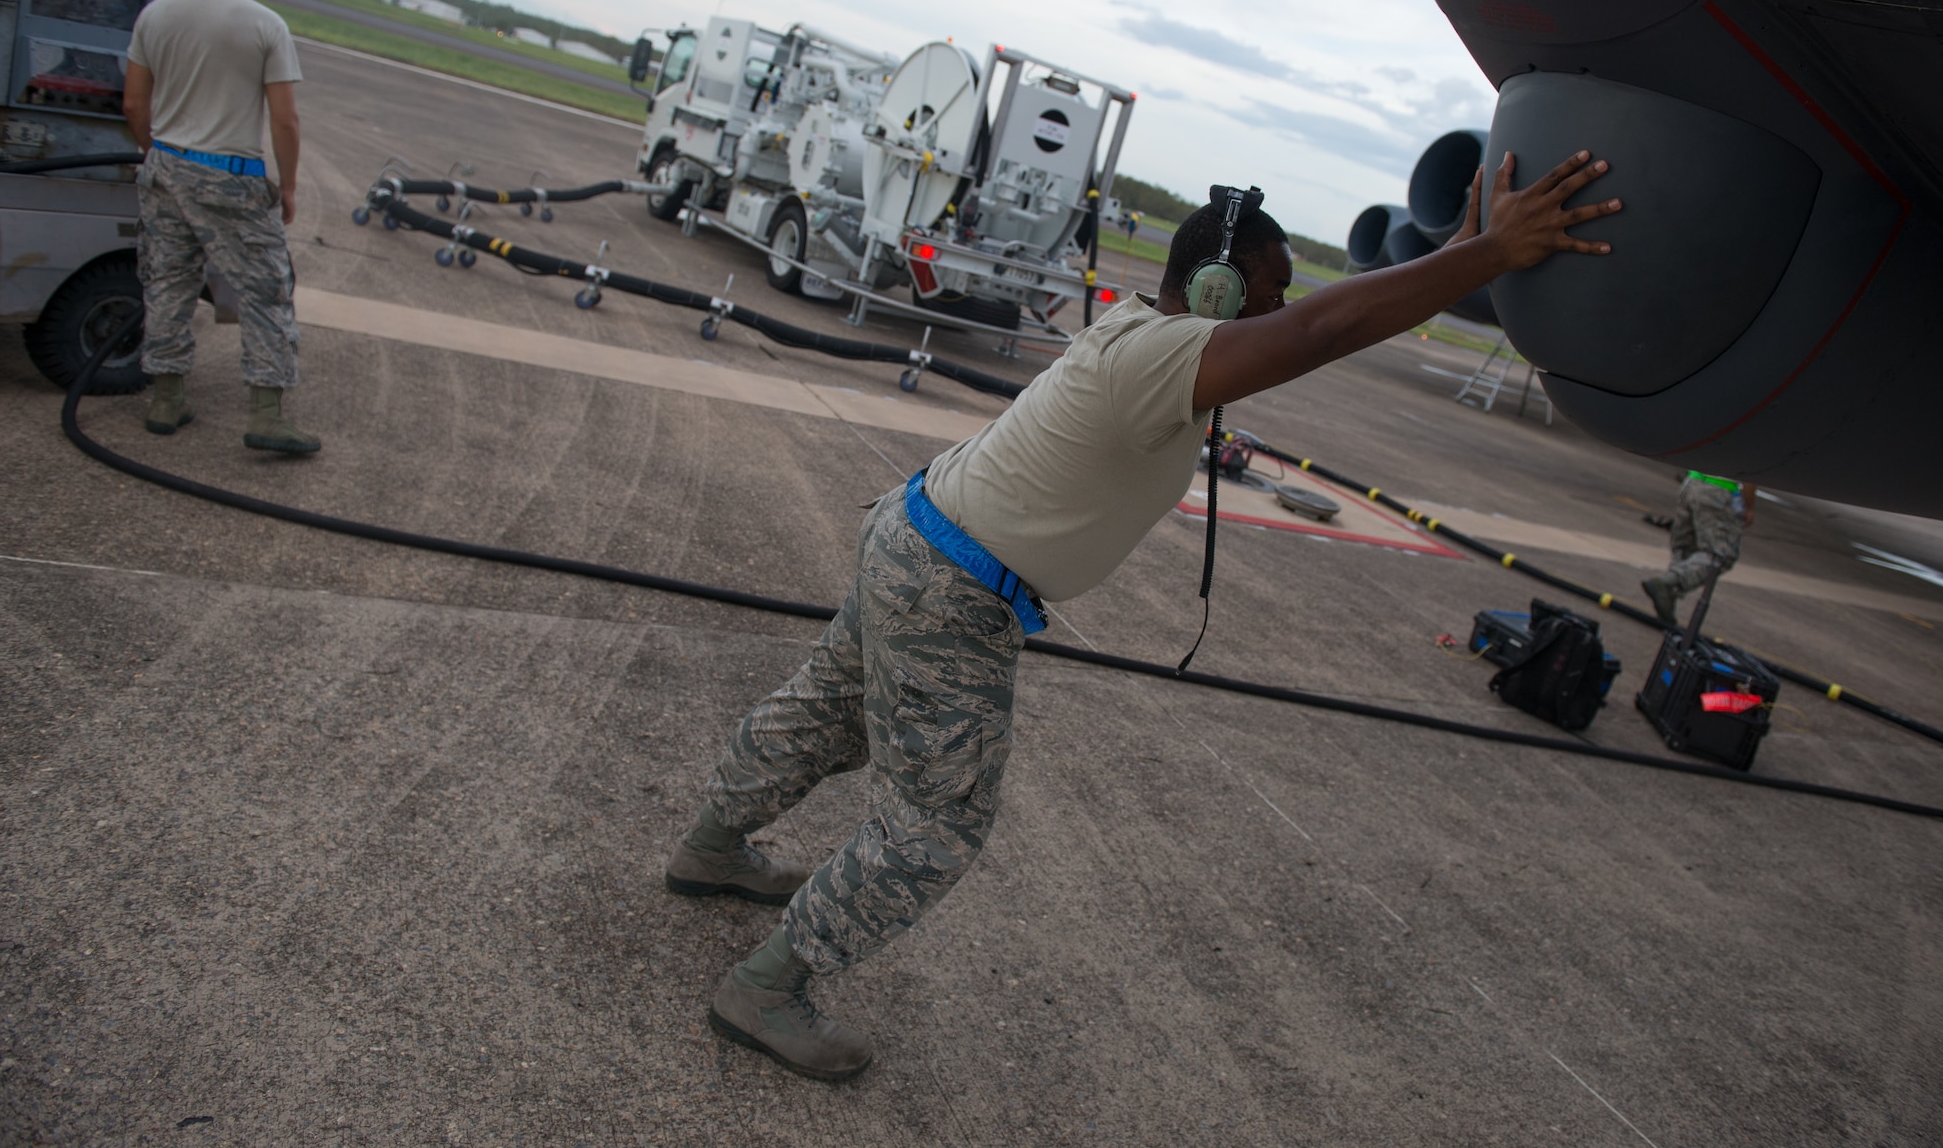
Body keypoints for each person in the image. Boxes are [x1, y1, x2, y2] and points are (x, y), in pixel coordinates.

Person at [666, 150, 1622, 1081]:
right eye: (1272, 288)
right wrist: (1492, 255)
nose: (1284, 308)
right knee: (936, 826)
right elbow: (1327, 331)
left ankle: (711, 847)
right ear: (1215, 291)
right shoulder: (1164, 357)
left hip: (913, 534)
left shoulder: (1138, 327)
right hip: (950, 592)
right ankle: (767, 987)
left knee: (826, 712)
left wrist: (1458, 247)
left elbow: (1333, 314)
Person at [122, 0, 318, 453]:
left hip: (165, 167)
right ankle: (267, 415)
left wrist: (154, 155)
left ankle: (166, 400)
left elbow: (134, 106)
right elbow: (286, 122)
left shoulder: (155, 15)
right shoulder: (266, 24)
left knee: (167, 283)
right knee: (266, 293)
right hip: (232, 177)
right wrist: (291, 187)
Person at [1642, 471, 1756, 624]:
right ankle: (1669, 583)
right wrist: (1749, 506)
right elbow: (1752, 474)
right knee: (1720, 555)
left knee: (1685, 546)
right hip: (1720, 489)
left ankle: (1667, 599)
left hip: (1692, 482)